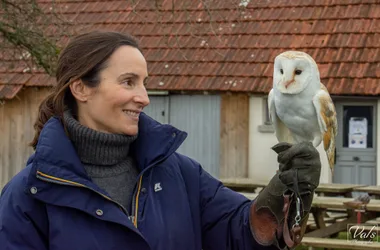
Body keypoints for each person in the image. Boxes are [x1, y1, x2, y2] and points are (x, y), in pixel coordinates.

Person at [0, 31, 321, 250]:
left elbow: (239, 233)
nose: (143, 97)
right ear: (81, 88)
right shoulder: (28, 197)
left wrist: (286, 192)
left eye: (144, 83)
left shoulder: (180, 175)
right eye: (128, 82)